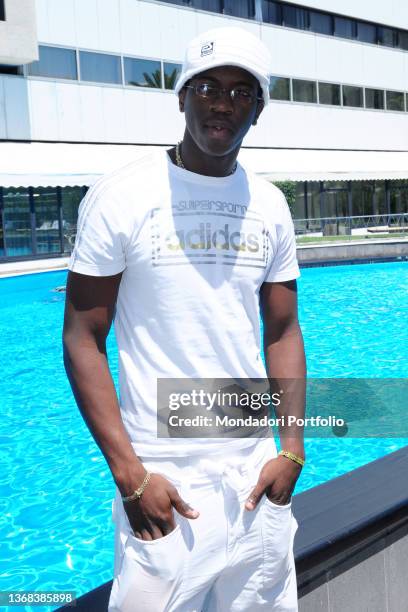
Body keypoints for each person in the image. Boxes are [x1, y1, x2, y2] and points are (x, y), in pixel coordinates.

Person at [63, 26, 306, 612]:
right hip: (162, 475)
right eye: (207, 88)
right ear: (181, 97)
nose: (222, 103)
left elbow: (282, 331)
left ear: (258, 110)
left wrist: (291, 448)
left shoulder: (270, 204)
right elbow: (82, 337)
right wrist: (132, 475)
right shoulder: (123, 195)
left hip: (254, 474)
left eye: (241, 92)